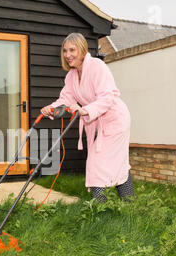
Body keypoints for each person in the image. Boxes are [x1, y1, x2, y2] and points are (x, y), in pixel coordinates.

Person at [40, 33, 134, 202]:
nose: (67, 54)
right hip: (96, 121)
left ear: (83, 51)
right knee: (115, 161)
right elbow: (66, 99)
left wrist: (85, 110)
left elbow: (107, 96)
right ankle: (128, 204)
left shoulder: (97, 66)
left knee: (97, 163)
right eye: (65, 50)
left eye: (72, 50)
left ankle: (101, 208)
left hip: (115, 119)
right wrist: (51, 108)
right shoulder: (71, 75)